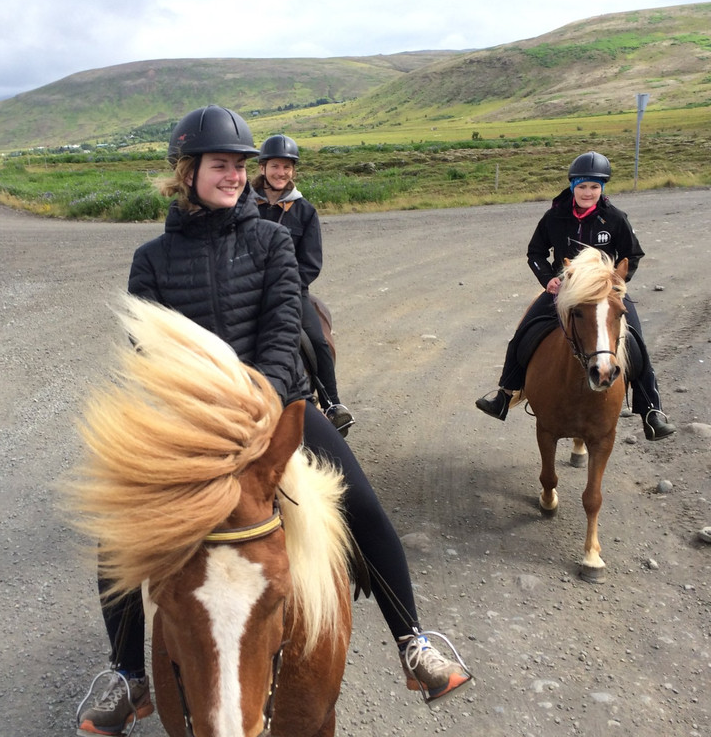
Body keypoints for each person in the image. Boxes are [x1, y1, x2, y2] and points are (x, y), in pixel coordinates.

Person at [76, 106, 471, 736]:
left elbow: (285, 332)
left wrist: (256, 405)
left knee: (363, 507)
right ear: (188, 171)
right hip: (193, 429)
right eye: (220, 165)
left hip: (273, 409)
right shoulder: (150, 259)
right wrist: (197, 417)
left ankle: (413, 642)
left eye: (240, 165)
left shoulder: (272, 240)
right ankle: (127, 674)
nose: (234, 176)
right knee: (116, 540)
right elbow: (147, 355)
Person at [475, 151, 677, 441]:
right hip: (567, 289)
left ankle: (651, 411)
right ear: (572, 186)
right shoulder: (554, 216)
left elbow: (633, 254)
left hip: (605, 291)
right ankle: (504, 395)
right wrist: (548, 280)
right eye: (582, 186)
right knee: (524, 333)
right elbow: (535, 253)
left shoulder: (615, 218)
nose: (588, 192)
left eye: (595, 187)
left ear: (602, 189)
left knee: (635, 341)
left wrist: (617, 281)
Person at [253, 133, 354, 433]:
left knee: (317, 340)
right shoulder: (245, 203)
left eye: (287, 167)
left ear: (293, 171)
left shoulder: (305, 211)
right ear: (262, 168)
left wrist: (281, 288)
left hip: (290, 291)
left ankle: (332, 403)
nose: (281, 172)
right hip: (246, 287)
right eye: (275, 166)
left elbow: (310, 262)